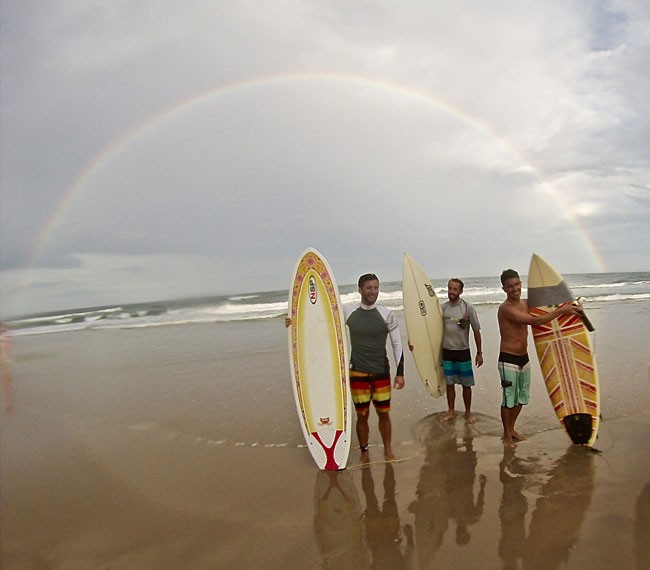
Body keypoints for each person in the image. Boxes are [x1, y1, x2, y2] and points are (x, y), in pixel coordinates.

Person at [497, 268, 581, 448]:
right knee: (508, 399)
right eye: (510, 286)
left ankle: (511, 428)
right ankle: (506, 436)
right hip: (508, 359)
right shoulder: (505, 309)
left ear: (521, 283)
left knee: (521, 397)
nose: (515, 289)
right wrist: (562, 311)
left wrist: (572, 307)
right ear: (503, 288)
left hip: (523, 357)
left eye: (517, 284)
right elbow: (535, 321)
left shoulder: (526, 303)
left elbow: (548, 305)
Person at [344, 273, 405, 463]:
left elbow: (397, 343)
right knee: (362, 415)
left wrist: (400, 373)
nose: (373, 292)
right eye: (369, 288)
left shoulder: (387, 313)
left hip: (381, 371)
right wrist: (292, 321)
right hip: (357, 372)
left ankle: (387, 449)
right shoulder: (347, 311)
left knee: (383, 413)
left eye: (376, 287)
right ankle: (364, 451)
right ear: (360, 289)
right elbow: (321, 322)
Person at [440, 278, 483, 423]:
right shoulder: (443, 308)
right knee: (450, 384)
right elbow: (432, 329)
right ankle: (451, 411)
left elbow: (477, 330)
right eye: (450, 288)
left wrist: (479, 353)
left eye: (454, 289)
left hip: (462, 351)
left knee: (466, 385)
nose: (451, 292)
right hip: (447, 351)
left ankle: (468, 412)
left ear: (460, 291)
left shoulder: (467, 308)